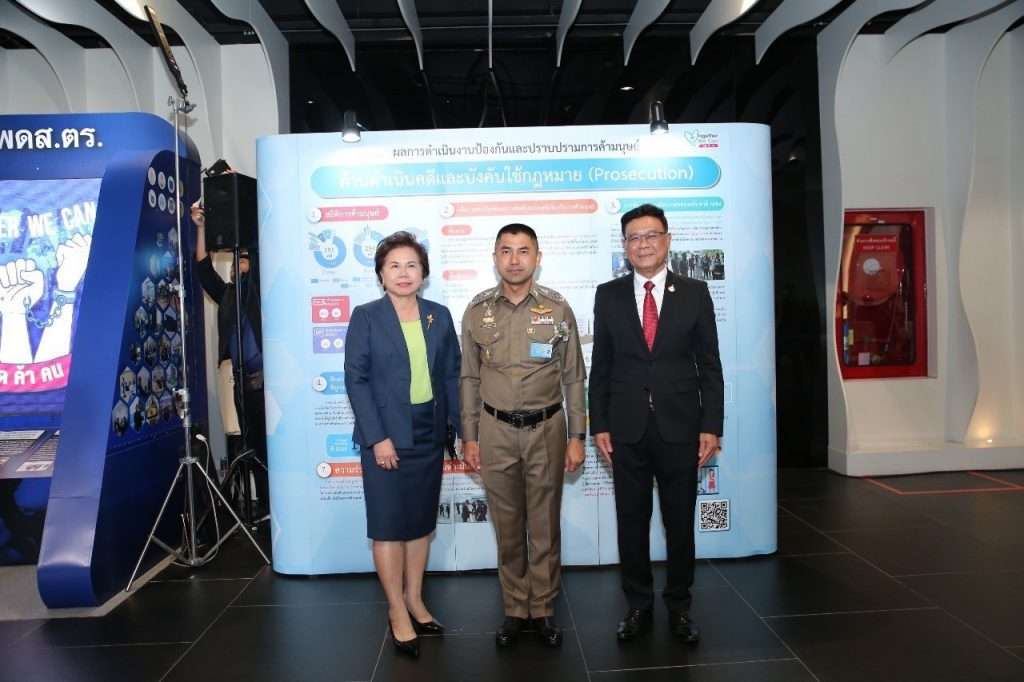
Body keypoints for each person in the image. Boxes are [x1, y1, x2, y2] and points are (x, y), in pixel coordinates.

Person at [588, 203, 724, 644]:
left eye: (651, 235)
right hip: (625, 428)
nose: (643, 244)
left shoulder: (695, 293)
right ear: (625, 246)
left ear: (667, 240)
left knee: (679, 522)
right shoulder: (608, 295)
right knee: (631, 520)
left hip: (681, 427)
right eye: (634, 237)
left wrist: (711, 425)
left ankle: (680, 606)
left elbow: (710, 365)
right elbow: (601, 366)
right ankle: (638, 605)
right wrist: (599, 423)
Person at [460, 223, 586, 648]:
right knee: (508, 524)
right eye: (506, 250)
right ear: (495, 257)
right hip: (494, 430)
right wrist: (470, 435)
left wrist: (577, 435)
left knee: (545, 525)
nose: (515, 259)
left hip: (547, 428)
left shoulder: (558, 308)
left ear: (538, 257)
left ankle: (544, 608)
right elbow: (469, 378)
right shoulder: (477, 310)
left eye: (523, 250)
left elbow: (574, 377)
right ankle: (516, 608)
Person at [344, 231, 461, 660]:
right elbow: (355, 380)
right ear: (381, 274)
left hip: (429, 433)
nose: (403, 273)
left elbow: (451, 375)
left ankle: (415, 598)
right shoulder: (366, 317)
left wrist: (460, 428)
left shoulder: (438, 316)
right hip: (386, 435)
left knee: (419, 523)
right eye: (394, 265)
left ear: (423, 273)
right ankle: (396, 608)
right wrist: (378, 438)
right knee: (389, 525)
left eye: (412, 265)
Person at [190, 203, 268, 513]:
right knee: (248, 447)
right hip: (240, 384)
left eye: (243, 260)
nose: (237, 265)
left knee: (267, 450)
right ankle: (258, 511)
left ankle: (272, 509)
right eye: (235, 262)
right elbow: (203, 269)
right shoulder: (227, 296)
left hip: (265, 385)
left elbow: (257, 255)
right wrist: (201, 229)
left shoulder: (259, 293)